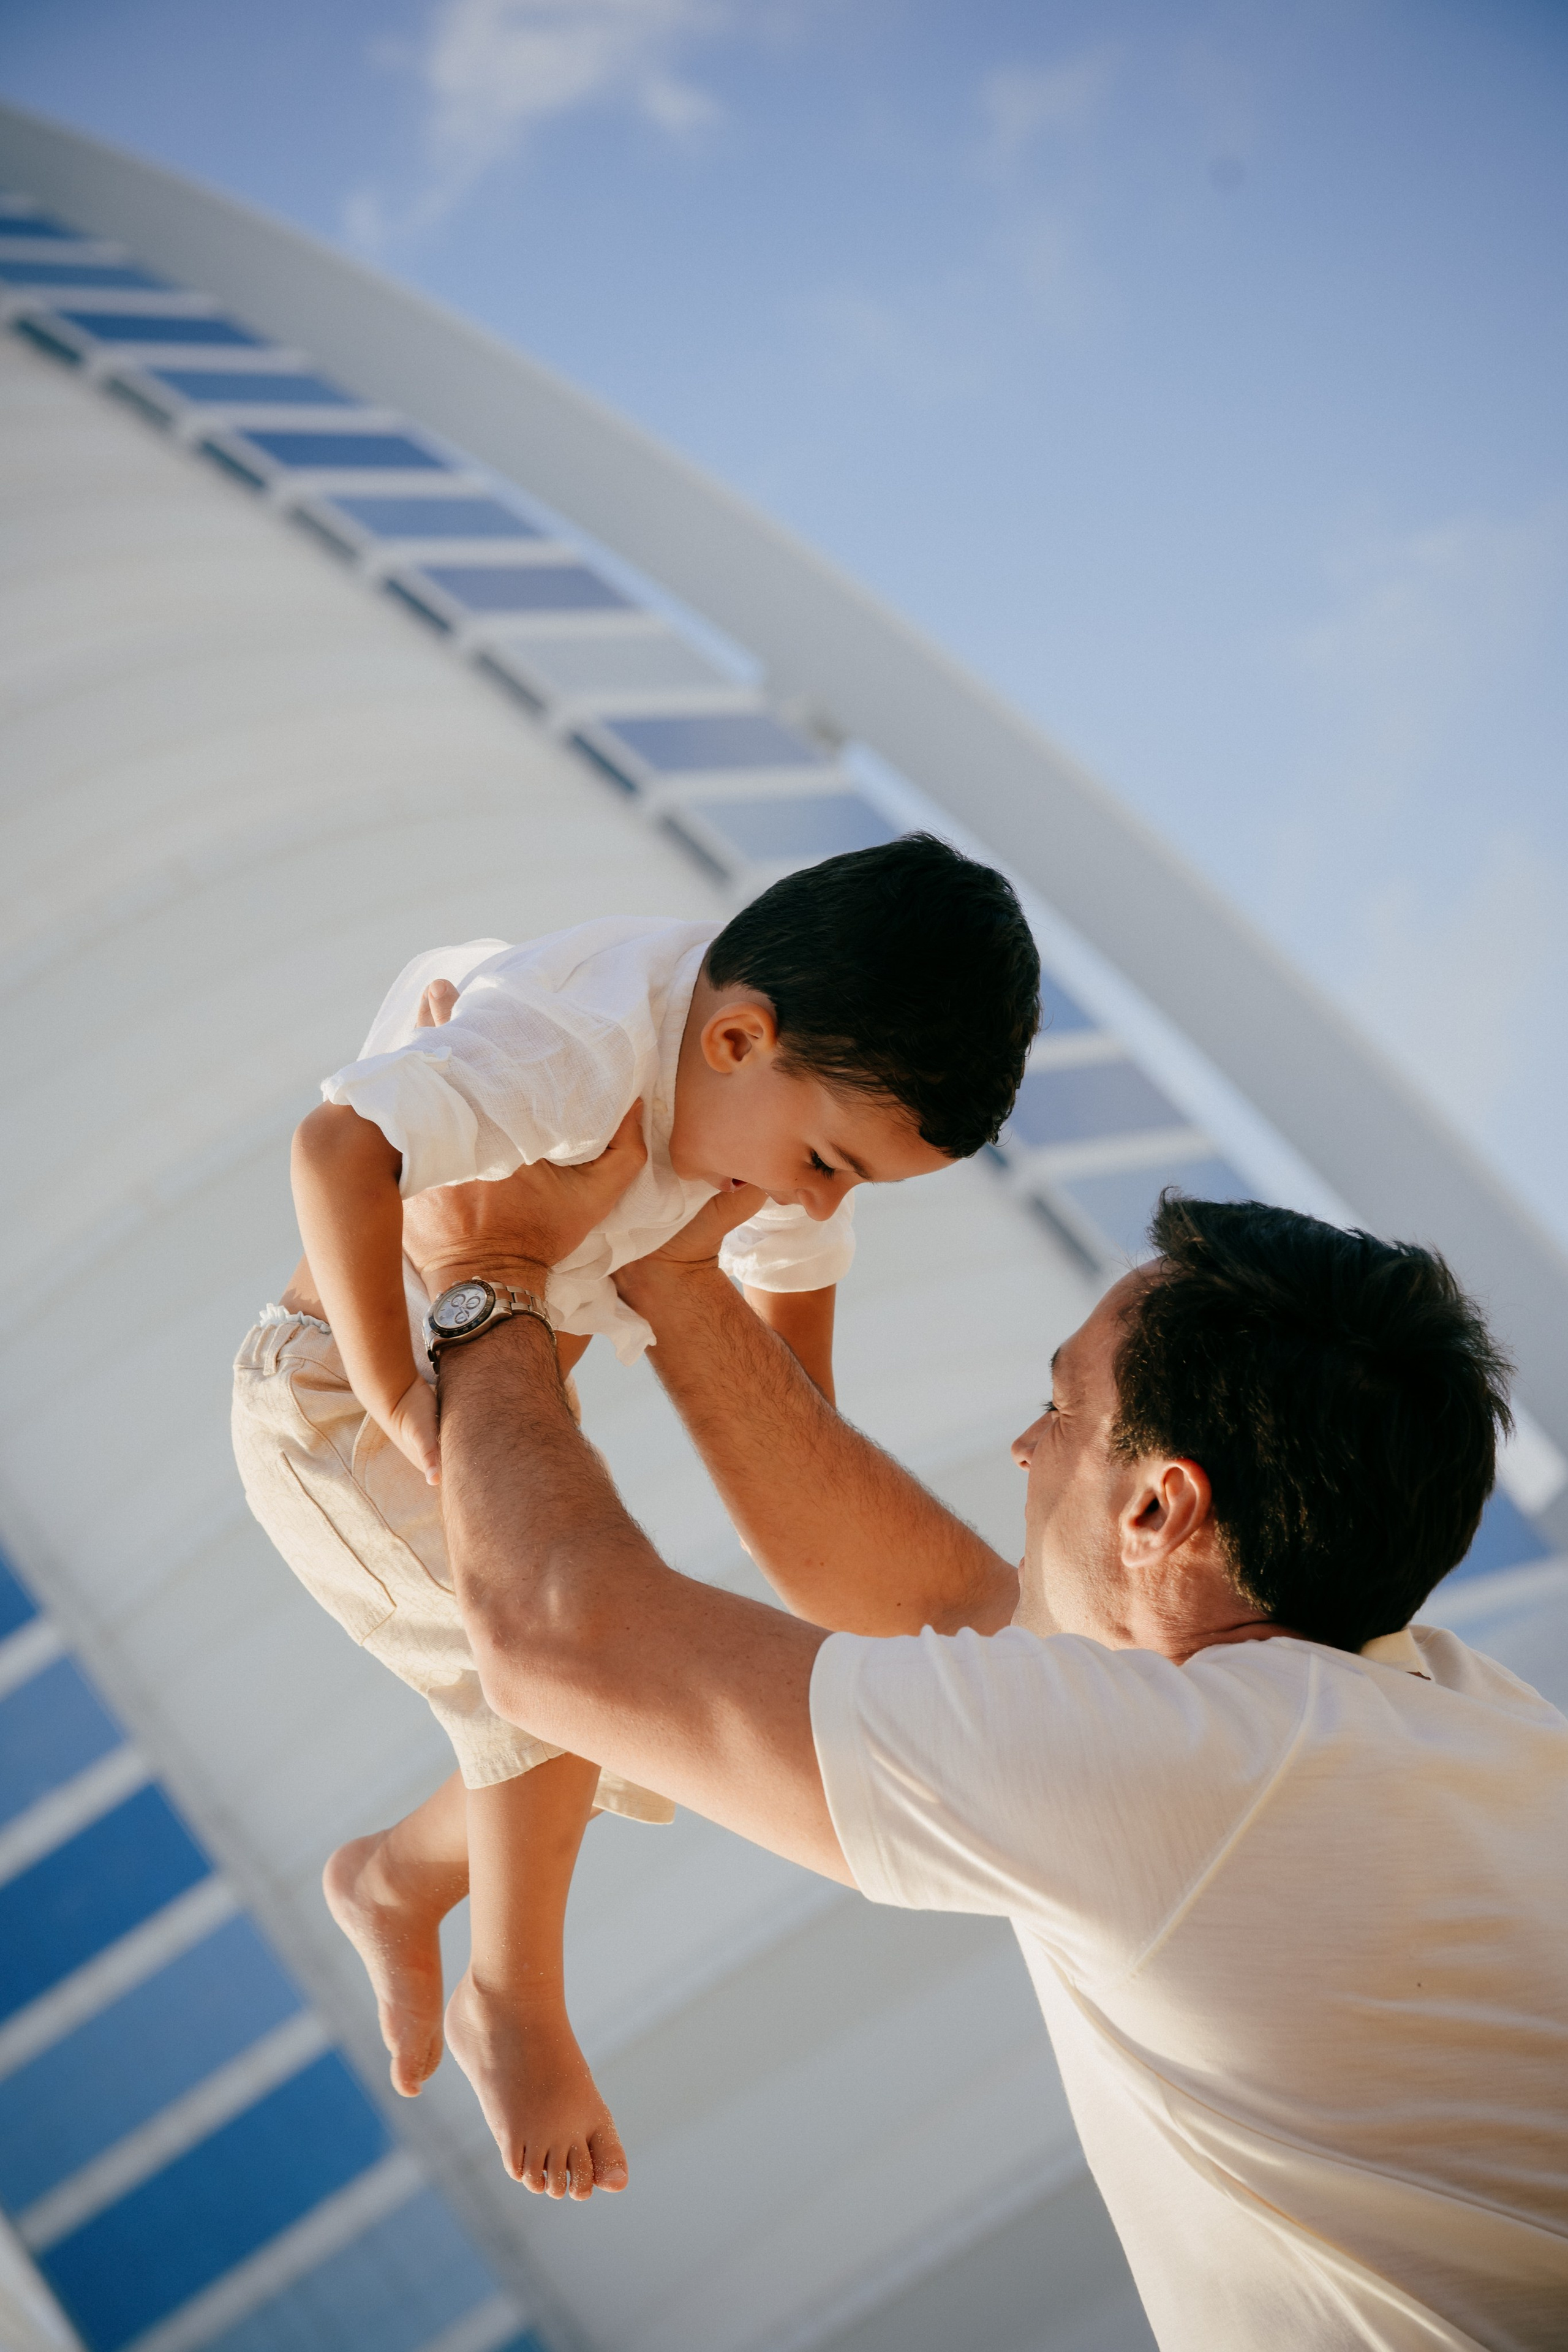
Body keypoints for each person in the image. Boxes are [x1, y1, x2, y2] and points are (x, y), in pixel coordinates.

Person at [393, 1126, 1568, 2350]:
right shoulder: (1435, 1712)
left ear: (1159, 1506)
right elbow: (937, 1602)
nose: (1022, 1446)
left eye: (1057, 1406)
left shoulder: (1195, 1781)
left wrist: (490, 1281)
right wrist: (669, 1279)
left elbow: (553, 1632)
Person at [230, 834, 1041, 2191]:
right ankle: (512, 1998)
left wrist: (686, 1274)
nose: (809, 1199)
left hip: (483, 1386)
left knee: (635, 1725)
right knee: (563, 1682)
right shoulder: (584, 1043)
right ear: (735, 1038)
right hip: (328, 1401)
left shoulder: (761, 1128)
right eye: (827, 1162)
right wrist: (395, 1396)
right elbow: (335, 1147)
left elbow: (793, 1411)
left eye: (851, 1187)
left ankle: (404, 1877)